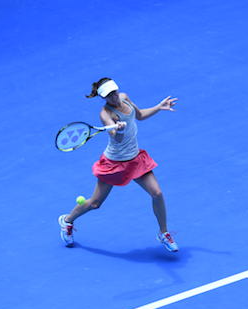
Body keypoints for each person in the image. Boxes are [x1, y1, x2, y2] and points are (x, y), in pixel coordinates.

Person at [58, 77, 179, 252]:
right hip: (114, 163)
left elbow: (140, 115)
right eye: (109, 95)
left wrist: (158, 107)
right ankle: (67, 220)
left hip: (135, 159)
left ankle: (163, 233)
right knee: (95, 203)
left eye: (114, 92)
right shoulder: (106, 114)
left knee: (157, 193)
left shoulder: (124, 97)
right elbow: (116, 137)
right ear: (104, 98)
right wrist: (119, 130)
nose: (114, 97)